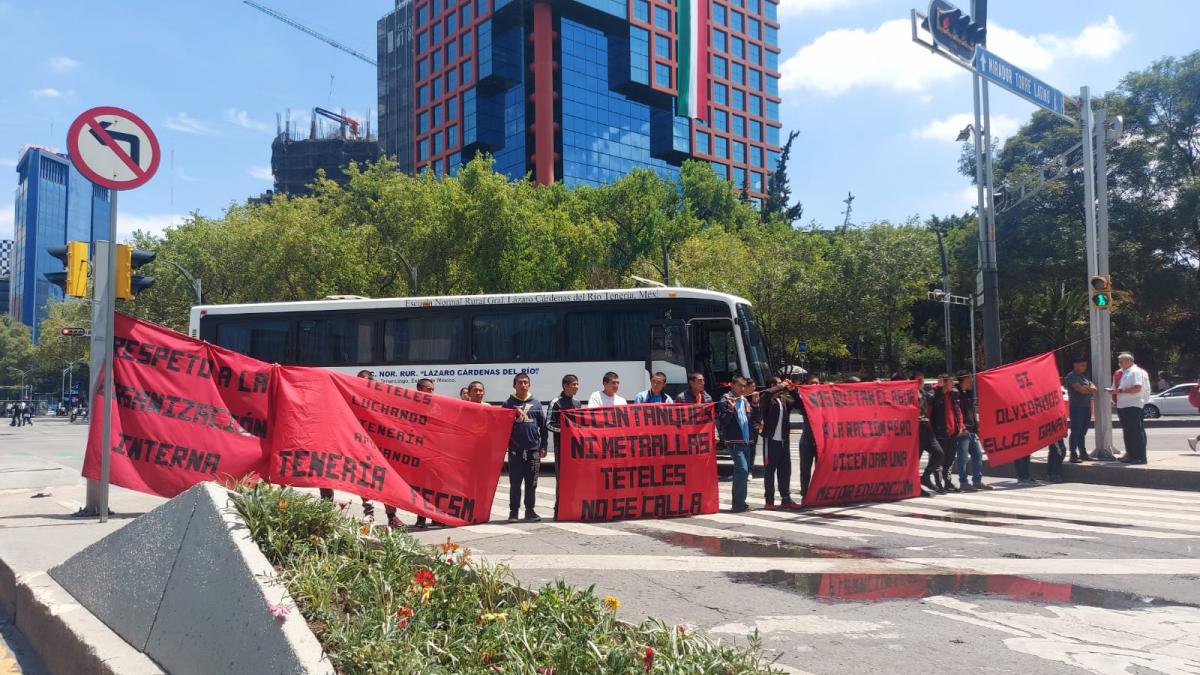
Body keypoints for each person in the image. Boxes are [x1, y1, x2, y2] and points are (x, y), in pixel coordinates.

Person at [503, 373, 547, 523]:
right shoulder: (508, 404)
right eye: (520, 382)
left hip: (533, 451)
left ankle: (530, 511)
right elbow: (502, 428)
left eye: (525, 382)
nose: (523, 385)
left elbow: (543, 427)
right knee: (515, 483)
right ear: (514, 385)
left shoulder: (536, 403)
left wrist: (543, 446)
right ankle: (513, 512)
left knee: (531, 484)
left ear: (529, 384)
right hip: (515, 451)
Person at [717, 375, 760, 512]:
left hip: (746, 441)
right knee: (742, 469)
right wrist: (730, 410)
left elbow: (754, 418)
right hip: (734, 441)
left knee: (742, 472)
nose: (743, 388)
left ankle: (740, 502)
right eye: (740, 385)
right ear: (732, 385)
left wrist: (755, 404)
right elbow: (723, 423)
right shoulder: (725, 400)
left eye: (744, 386)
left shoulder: (744, 400)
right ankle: (738, 503)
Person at [760, 376, 797, 509]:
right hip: (771, 440)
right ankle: (769, 501)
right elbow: (769, 392)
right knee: (770, 471)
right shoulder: (766, 398)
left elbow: (797, 403)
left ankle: (786, 498)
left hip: (784, 440)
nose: (781, 386)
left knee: (785, 470)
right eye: (777, 384)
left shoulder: (783, 399)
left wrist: (792, 390)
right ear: (771, 385)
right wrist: (782, 385)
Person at [1110, 352, 1150, 464]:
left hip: (1133, 405)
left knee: (1136, 432)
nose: (1119, 363)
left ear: (1130, 361)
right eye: (1119, 361)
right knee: (1128, 432)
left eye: (1122, 361)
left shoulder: (1135, 371)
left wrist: (1120, 391)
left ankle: (1140, 457)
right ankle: (1131, 455)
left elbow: (1137, 388)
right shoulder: (1124, 372)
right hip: (1123, 405)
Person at [413, 378, 442, 529]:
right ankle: (421, 518)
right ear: (419, 389)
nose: (431, 392)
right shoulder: (412, 406)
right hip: (419, 453)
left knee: (436, 487)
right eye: (428, 389)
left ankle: (436, 517)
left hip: (434, 452)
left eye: (432, 389)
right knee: (421, 488)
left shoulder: (436, 407)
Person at [910, 371, 945, 495]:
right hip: (915, 429)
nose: (921, 383)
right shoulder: (908, 395)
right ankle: (917, 487)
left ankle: (925, 477)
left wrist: (940, 387)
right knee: (916, 461)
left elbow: (935, 401)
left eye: (922, 381)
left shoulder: (924, 393)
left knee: (939, 453)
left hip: (926, 428)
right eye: (919, 381)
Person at [955, 372, 990, 490]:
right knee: (962, 457)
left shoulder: (968, 393)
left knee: (977, 455)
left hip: (972, 430)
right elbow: (956, 412)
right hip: (963, 430)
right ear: (965, 379)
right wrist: (961, 427)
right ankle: (963, 482)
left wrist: (976, 425)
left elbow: (972, 411)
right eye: (970, 378)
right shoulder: (956, 393)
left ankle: (977, 480)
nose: (972, 381)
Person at [929, 374, 963, 493]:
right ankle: (938, 484)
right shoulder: (934, 394)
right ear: (944, 382)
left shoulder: (954, 394)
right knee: (939, 459)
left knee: (950, 459)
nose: (953, 384)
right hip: (940, 432)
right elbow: (930, 411)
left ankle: (948, 482)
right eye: (951, 382)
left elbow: (958, 410)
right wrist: (939, 389)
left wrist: (960, 425)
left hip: (953, 432)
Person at [1063, 357, 1098, 462]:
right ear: (1075, 365)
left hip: (1086, 407)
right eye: (1082, 365)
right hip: (1076, 407)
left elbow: (1095, 389)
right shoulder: (1071, 376)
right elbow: (1081, 390)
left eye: (1085, 365)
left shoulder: (1084, 377)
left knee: (1082, 432)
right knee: (1076, 431)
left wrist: (1089, 389)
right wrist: (1089, 389)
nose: (1085, 367)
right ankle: (1073, 455)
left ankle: (1083, 454)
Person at [797, 374, 821, 499]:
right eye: (812, 383)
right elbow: (797, 402)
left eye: (817, 383)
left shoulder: (825, 400)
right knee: (805, 469)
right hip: (806, 441)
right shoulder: (804, 401)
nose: (815, 385)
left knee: (820, 469)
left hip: (820, 441)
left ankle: (818, 493)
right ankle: (805, 493)